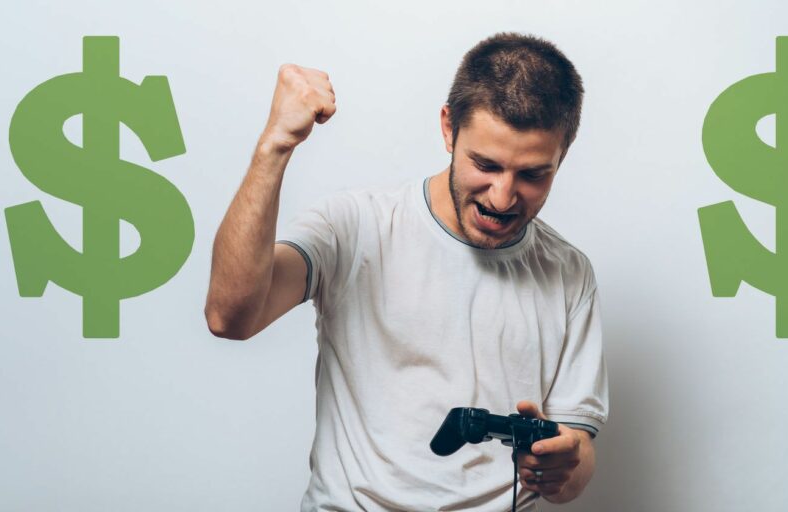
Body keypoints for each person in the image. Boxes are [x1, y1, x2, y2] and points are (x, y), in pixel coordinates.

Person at [205, 32, 609, 511]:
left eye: (532, 174)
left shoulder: (568, 274)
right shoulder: (355, 227)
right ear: (447, 129)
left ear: (564, 152)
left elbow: (577, 454)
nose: (502, 197)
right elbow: (230, 316)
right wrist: (274, 147)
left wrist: (564, 465)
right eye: (485, 164)